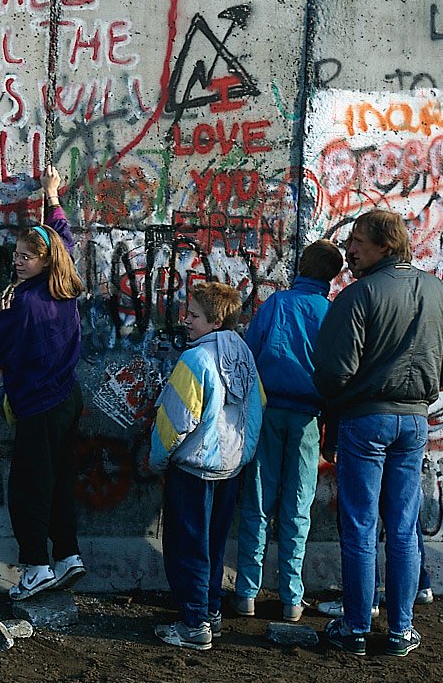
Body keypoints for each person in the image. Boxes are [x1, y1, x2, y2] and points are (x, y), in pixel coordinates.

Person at [313, 210, 443, 658]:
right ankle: (401, 630)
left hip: (365, 421)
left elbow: (331, 372)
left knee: (360, 526)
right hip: (414, 421)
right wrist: (420, 391)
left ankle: (356, 627)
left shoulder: (358, 296)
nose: (349, 249)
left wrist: (340, 406)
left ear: (385, 245)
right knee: (401, 527)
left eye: (358, 241)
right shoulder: (441, 292)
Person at [0, 165, 87, 601]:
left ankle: (36, 566)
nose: (18, 262)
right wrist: (52, 194)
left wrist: (1, 310)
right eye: (18, 255)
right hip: (67, 398)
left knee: (29, 487)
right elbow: (62, 233)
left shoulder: (25, 304)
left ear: (43, 261)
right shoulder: (63, 282)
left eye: (25, 257)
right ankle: (67, 555)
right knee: (58, 479)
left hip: (39, 405)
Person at [232, 240, 343, 622]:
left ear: (300, 265)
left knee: (258, 503)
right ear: (332, 275)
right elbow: (336, 372)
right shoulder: (331, 313)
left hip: (269, 413)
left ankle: (246, 591)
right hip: (309, 418)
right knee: (298, 508)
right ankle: (292, 598)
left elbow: (250, 353)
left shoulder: (277, 304)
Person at [149, 282, 263, 651]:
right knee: (213, 545)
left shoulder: (195, 360)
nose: (186, 320)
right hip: (229, 469)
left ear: (215, 321)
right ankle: (210, 610)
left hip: (193, 471)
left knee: (187, 546)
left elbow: (175, 420)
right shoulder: (243, 355)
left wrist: (158, 459)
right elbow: (258, 408)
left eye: (194, 315)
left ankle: (194, 623)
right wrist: (242, 457)